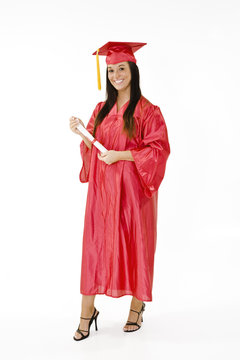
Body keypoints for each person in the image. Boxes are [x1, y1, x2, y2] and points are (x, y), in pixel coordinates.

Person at [69, 41, 171, 341]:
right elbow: (93, 150)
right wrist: (83, 134)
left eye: (121, 69)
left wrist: (122, 155)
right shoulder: (100, 110)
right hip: (102, 195)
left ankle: (136, 308)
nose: (116, 75)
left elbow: (158, 150)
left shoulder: (148, 110)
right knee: (95, 249)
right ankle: (87, 313)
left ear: (132, 70)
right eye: (111, 70)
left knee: (136, 244)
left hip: (134, 194)